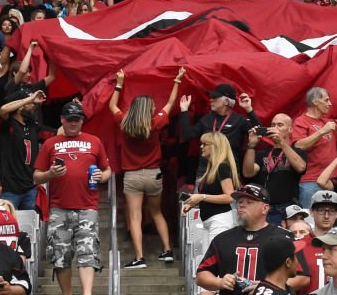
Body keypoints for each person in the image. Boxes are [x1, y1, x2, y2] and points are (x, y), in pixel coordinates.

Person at [33, 101, 112, 295]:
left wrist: (101, 176)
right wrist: (50, 175)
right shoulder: (51, 143)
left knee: (88, 251)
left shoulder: (94, 141)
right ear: (62, 120)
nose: (73, 123)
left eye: (77, 119)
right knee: (60, 254)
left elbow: (107, 170)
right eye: (70, 119)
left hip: (87, 205)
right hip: (59, 207)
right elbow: (36, 175)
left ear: (82, 121)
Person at [109, 67, 183, 268]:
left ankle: (139, 257)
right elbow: (170, 103)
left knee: (135, 217)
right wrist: (176, 82)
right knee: (157, 213)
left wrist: (119, 83)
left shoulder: (124, 122)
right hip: (154, 175)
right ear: (148, 109)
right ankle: (167, 251)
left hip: (132, 176)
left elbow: (112, 104)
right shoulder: (155, 123)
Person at [293, 87, 337, 210]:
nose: (330, 104)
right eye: (326, 100)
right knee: (310, 222)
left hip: (333, 182)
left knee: (333, 222)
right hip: (311, 182)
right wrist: (322, 131)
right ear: (315, 102)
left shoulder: (329, 123)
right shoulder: (301, 121)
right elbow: (299, 146)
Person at [179, 82, 259, 177]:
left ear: (226, 102)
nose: (210, 100)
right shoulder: (207, 118)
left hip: (229, 174)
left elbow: (259, 132)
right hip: (205, 173)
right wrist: (184, 111)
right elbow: (188, 135)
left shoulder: (239, 120)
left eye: (215, 97)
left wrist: (249, 109)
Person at [242, 113, 307, 227]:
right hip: (264, 208)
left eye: (280, 125)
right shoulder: (263, 153)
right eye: (273, 125)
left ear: (290, 129)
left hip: (286, 209)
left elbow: (301, 167)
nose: (275, 128)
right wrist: (251, 145)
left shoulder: (297, 151)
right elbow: (248, 173)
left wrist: (282, 142)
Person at [181, 132, 240, 241]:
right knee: (208, 258)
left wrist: (202, 197)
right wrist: (193, 202)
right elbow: (212, 195)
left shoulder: (222, 167)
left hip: (219, 222)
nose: (201, 146)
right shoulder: (211, 168)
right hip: (210, 222)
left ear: (215, 146)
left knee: (215, 257)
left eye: (205, 144)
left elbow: (230, 197)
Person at [294, 190, 337, 295]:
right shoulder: (298, 245)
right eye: (321, 210)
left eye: (332, 211)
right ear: (311, 212)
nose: (326, 216)